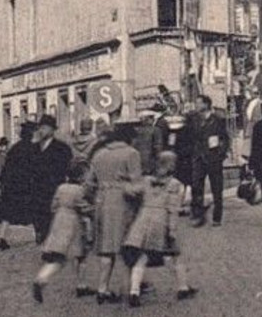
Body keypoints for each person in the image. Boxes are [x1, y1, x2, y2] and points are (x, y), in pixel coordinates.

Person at [121, 151, 198, 306]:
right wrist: (172, 230)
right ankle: (182, 288)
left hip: (143, 219)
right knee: (176, 254)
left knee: (141, 256)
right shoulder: (176, 184)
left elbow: (131, 191)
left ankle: (134, 292)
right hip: (161, 221)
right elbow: (173, 209)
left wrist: (122, 182)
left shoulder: (146, 180)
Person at [84, 123, 144, 303]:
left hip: (102, 202)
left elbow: (88, 183)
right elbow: (136, 184)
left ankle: (102, 289)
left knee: (106, 248)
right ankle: (132, 288)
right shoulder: (131, 154)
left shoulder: (99, 155)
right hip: (123, 203)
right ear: (129, 138)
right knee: (131, 246)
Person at [32, 161, 92, 302]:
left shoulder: (61, 188)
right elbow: (84, 208)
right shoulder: (79, 191)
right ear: (81, 177)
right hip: (73, 225)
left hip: (59, 222)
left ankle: (42, 277)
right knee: (80, 256)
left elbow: (54, 206)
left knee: (59, 258)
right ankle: (80, 285)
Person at [0, 121, 43, 250]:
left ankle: (2, 236)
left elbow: (6, 168)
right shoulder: (35, 149)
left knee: (7, 213)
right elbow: (38, 168)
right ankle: (39, 234)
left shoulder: (14, 149)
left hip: (12, 186)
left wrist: (4, 182)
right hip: (29, 185)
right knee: (36, 210)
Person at [188, 96, 231, 227]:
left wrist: (221, 153)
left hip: (213, 158)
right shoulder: (193, 120)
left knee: (216, 189)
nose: (196, 105)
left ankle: (217, 217)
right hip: (198, 158)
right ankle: (198, 215)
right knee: (196, 187)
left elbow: (225, 138)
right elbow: (190, 138)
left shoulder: (217, 120)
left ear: (206, 105)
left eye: (198, 103)